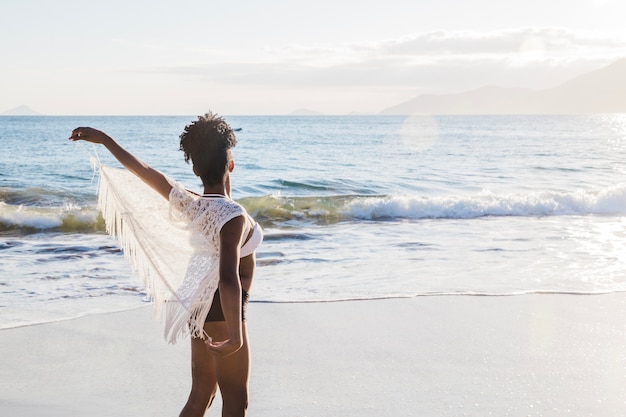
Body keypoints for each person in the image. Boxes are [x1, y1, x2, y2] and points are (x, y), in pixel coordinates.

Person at [69, 112, 262, 417]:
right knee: (235, 402)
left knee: (202, 394)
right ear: (231, 164)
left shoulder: (194, 204)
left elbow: (144, 171)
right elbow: (228, 278)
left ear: (195, 167)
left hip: (199, 308)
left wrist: (106, 140)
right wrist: (236, 335)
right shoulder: (233, 215)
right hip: (223, 311)